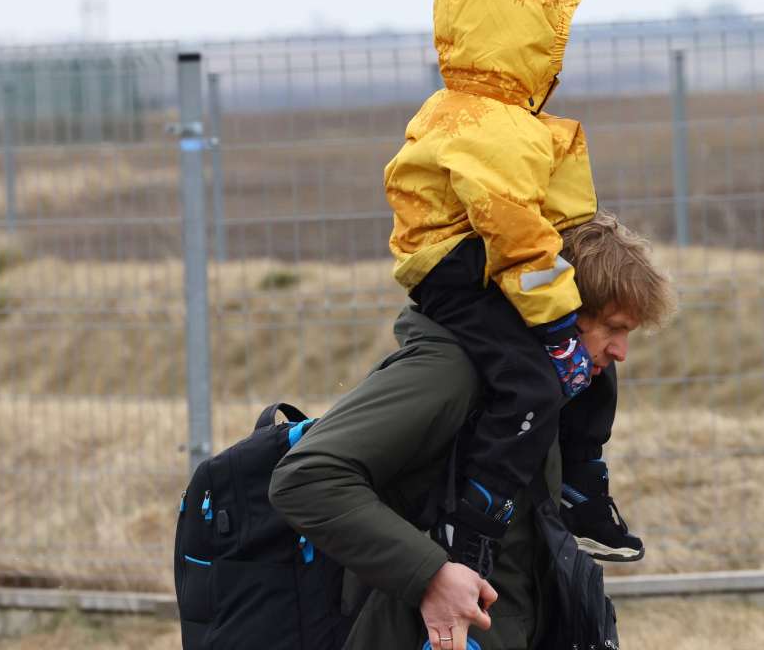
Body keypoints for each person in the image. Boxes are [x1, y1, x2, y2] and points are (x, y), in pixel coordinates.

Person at [269, 215, 674, 650]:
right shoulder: (449, 373)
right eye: (613, 327)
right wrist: (431, 575)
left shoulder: (535, 390)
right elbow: (306, 478)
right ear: (557, 310)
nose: (621, 352)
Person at [382, 0, 644, 573]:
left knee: (594, 366)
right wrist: (557, 326)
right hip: (453, 267)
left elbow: (559, 218)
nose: (559, 58)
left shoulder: (518, 123)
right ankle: (473, 522)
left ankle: (581, 484)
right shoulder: (480, 123)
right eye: (552, 40)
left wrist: (589, 288)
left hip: (500, 263)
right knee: (530, 384)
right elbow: (513, 229)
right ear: (518, 39)